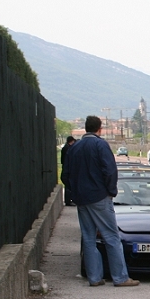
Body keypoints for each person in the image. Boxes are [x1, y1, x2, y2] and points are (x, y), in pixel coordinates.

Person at [60, 115, 139, 287]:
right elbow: (110, 170)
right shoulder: (100, 145)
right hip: (99, 196)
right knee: (111, 236)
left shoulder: (74, 147)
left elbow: (65, 175)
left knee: (88, 238)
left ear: (86, 128)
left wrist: (75, 191)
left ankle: (94, 277)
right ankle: (120, 277)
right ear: (99, 129)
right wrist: (110, 191)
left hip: (81, 198)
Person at [60, 136, 76, 206]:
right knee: (68, 184)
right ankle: (68, 200)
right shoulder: (68, 148)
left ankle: (69, 200)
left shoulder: (65, 147)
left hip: (66, 166)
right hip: (68, 168)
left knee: (68, 184)